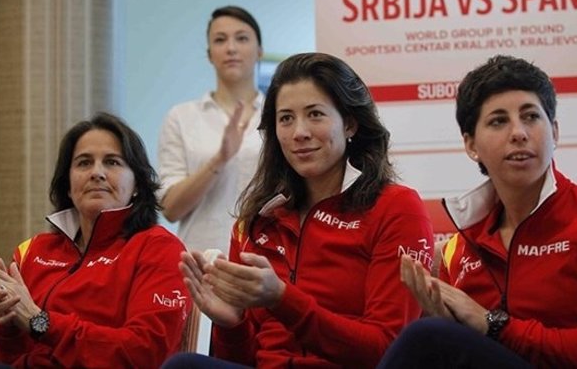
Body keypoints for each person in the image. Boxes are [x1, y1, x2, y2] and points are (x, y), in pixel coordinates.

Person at [161, 52, 435, 369]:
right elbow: (243, 360)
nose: (298, 132)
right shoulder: (257, 220)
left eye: (315, 114)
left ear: (349, 123)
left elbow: (387, 350)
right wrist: (230, 324)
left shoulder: (396, 207)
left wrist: (283, 299)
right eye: (286, 118)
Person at [377, 55, 577, 368]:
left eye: (531, 116)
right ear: (471, 145)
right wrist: (456, 326)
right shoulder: (463, 245)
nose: (519, 132)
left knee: (428, 336)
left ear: (555, 132)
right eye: (498, 120)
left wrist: (491, 324)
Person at [0, 112, 190, 368]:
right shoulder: (33, 251)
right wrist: (5, 323)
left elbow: (146, 354)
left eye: (113, 162)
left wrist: (39, 322)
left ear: (138, 184)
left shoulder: (159, 248)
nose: (97, 173)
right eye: (84, 163)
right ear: (68, 185)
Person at [158, 5, 264, 254]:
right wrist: (220, 159)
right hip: (200, 262)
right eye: (220, 40)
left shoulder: (280, 116)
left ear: (259, 51)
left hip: (267, 261)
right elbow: (171, 209)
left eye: (242, 38)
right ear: (209, 54)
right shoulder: (181, 117)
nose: (231, 48)